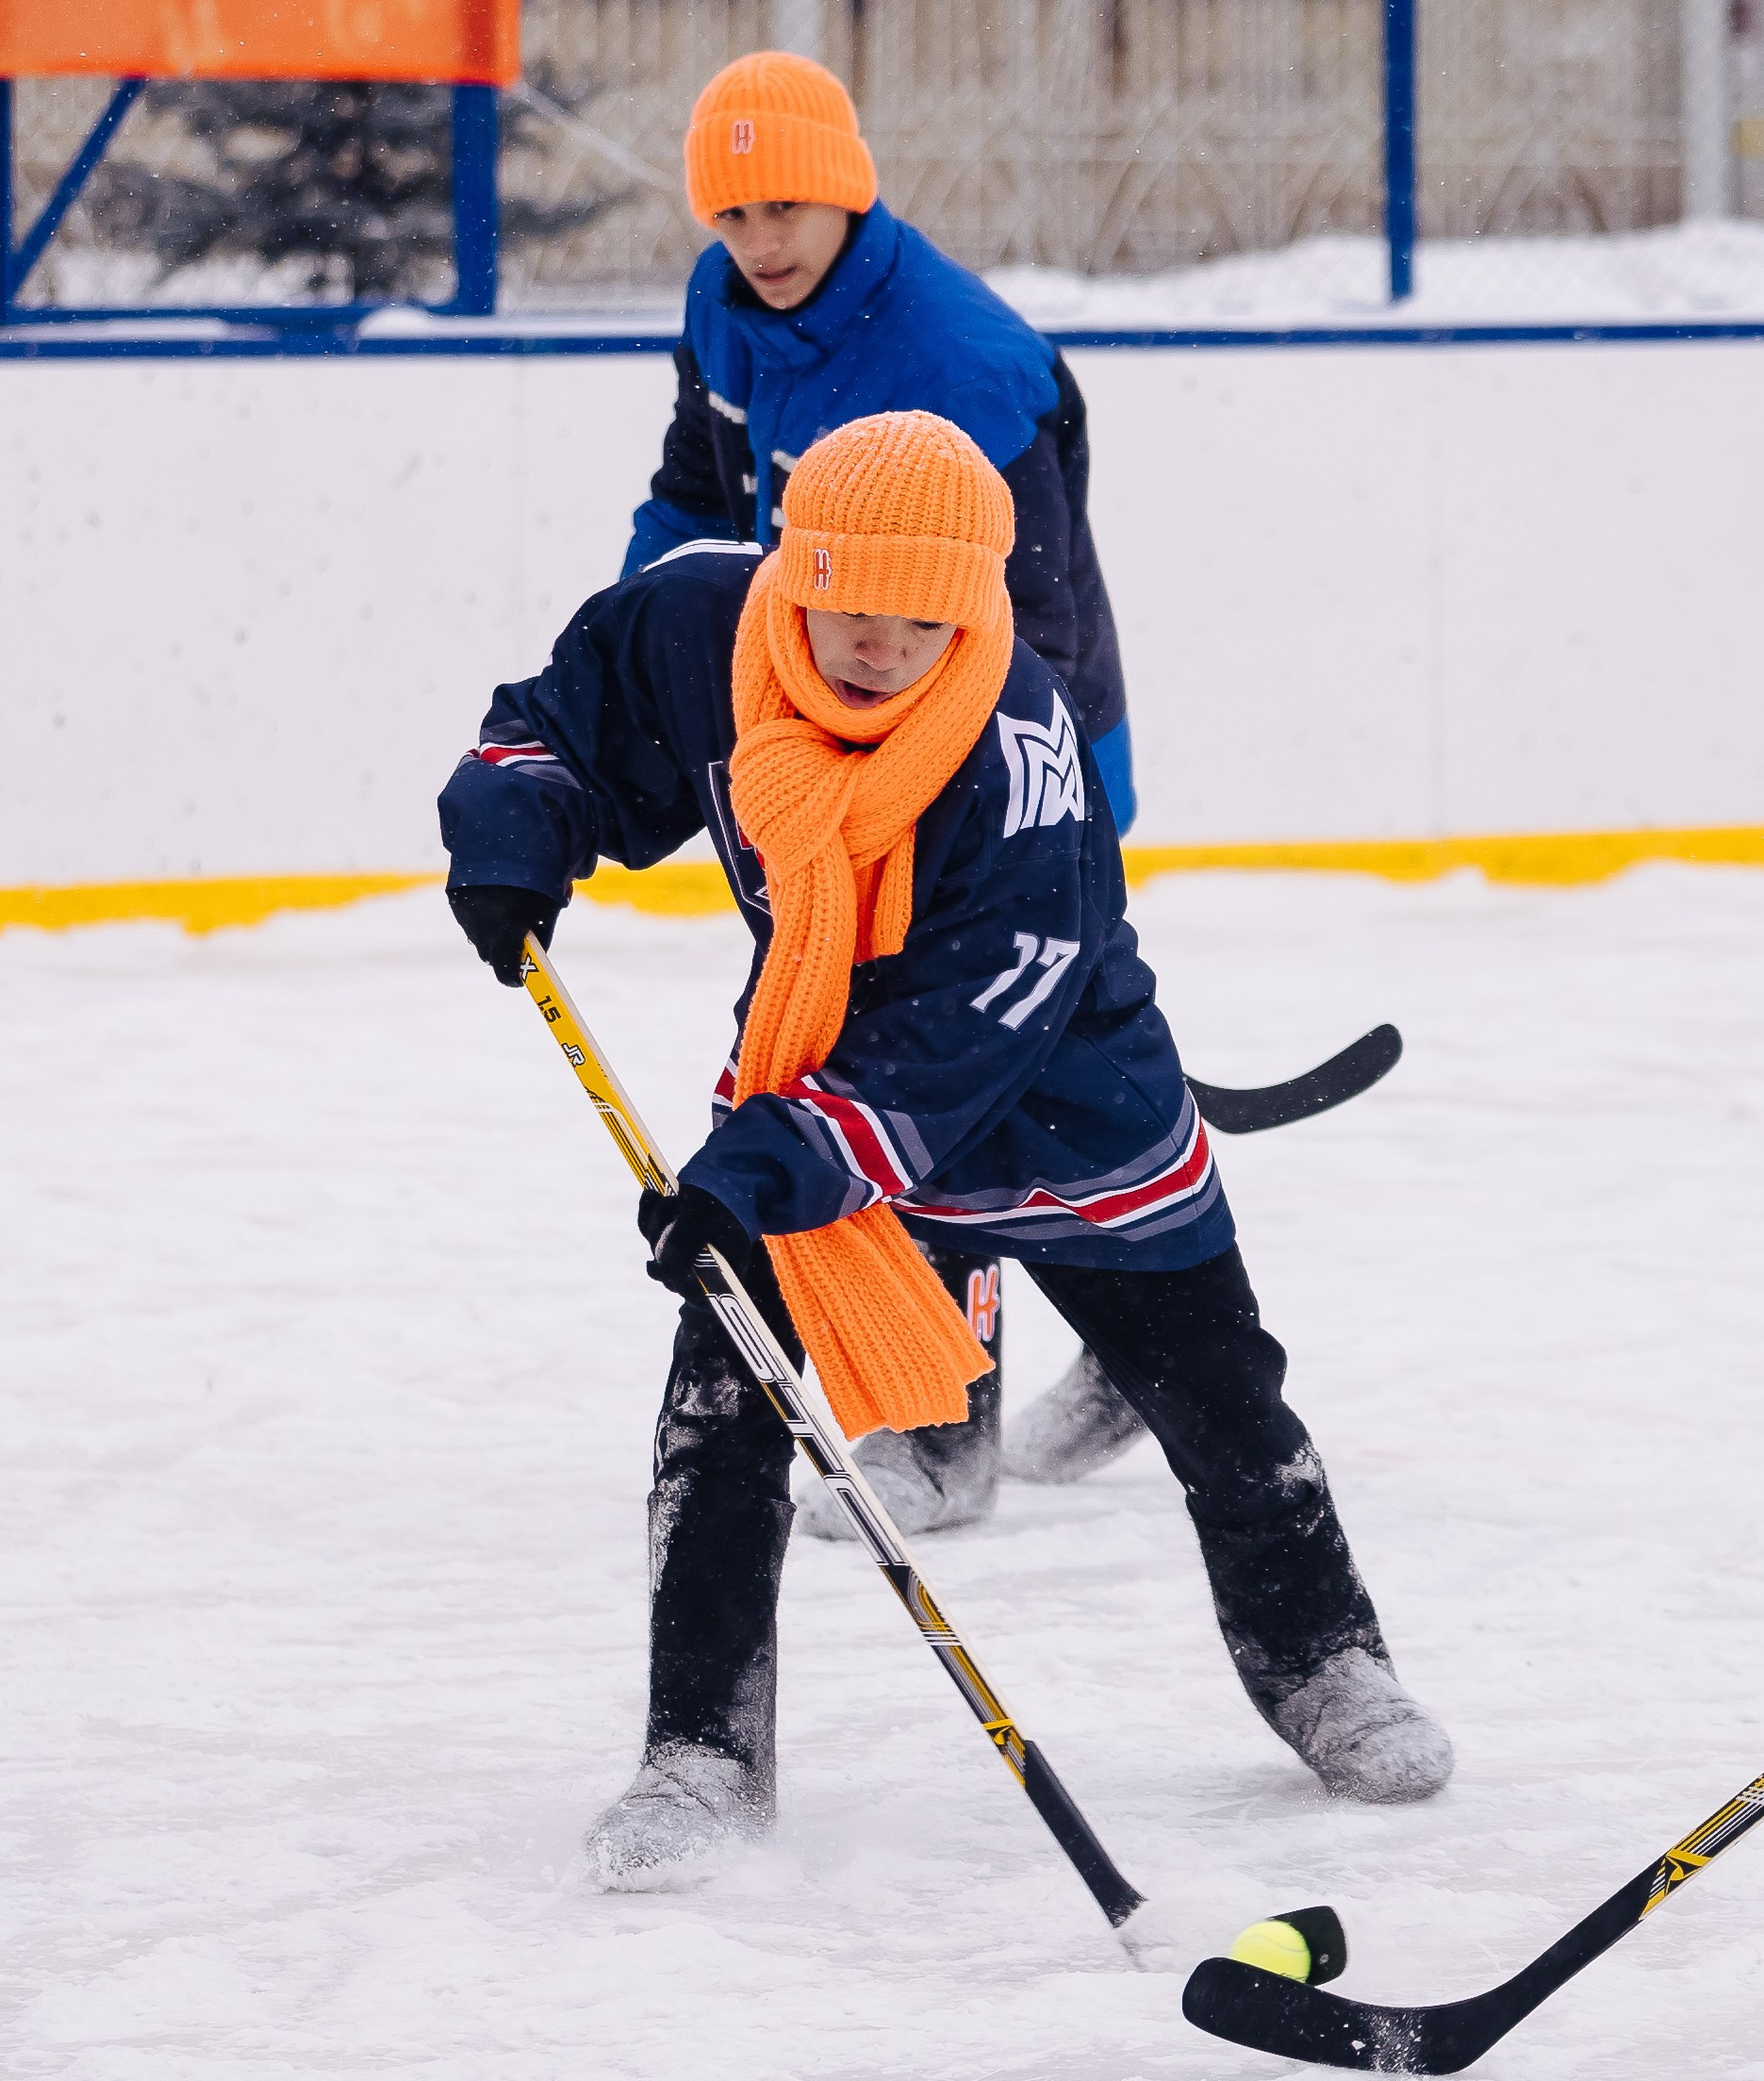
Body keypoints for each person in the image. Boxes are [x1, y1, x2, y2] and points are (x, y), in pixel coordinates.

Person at [440, 411, 1453, 1891]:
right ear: (798, 567)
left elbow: (963, 1037)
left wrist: (765, 1170)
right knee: (719, 1422)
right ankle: (700, 1752)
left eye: (920, 618)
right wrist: (518, 825)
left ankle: (1326, 1665)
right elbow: (555, 722)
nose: (873, 644)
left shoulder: (1018, 751)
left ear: (972, 604)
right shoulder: (703, 629)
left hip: (1067, 1108)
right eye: (847, 601)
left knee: (1229, 1411)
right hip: (814, 1084)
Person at [623, 48, 1147, 1537]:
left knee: (950, 1095)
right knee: (935, 1087)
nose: (758, 242)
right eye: (732, 216)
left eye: (785, 206)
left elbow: (1028, 626)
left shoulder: (959, 365)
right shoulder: (725, 307)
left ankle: (944, 1432)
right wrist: (647, 648)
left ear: (847, 191)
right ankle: (1111, 1346)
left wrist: (934, 795)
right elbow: (698, 496)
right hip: (837, 751)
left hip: (1004, 772)